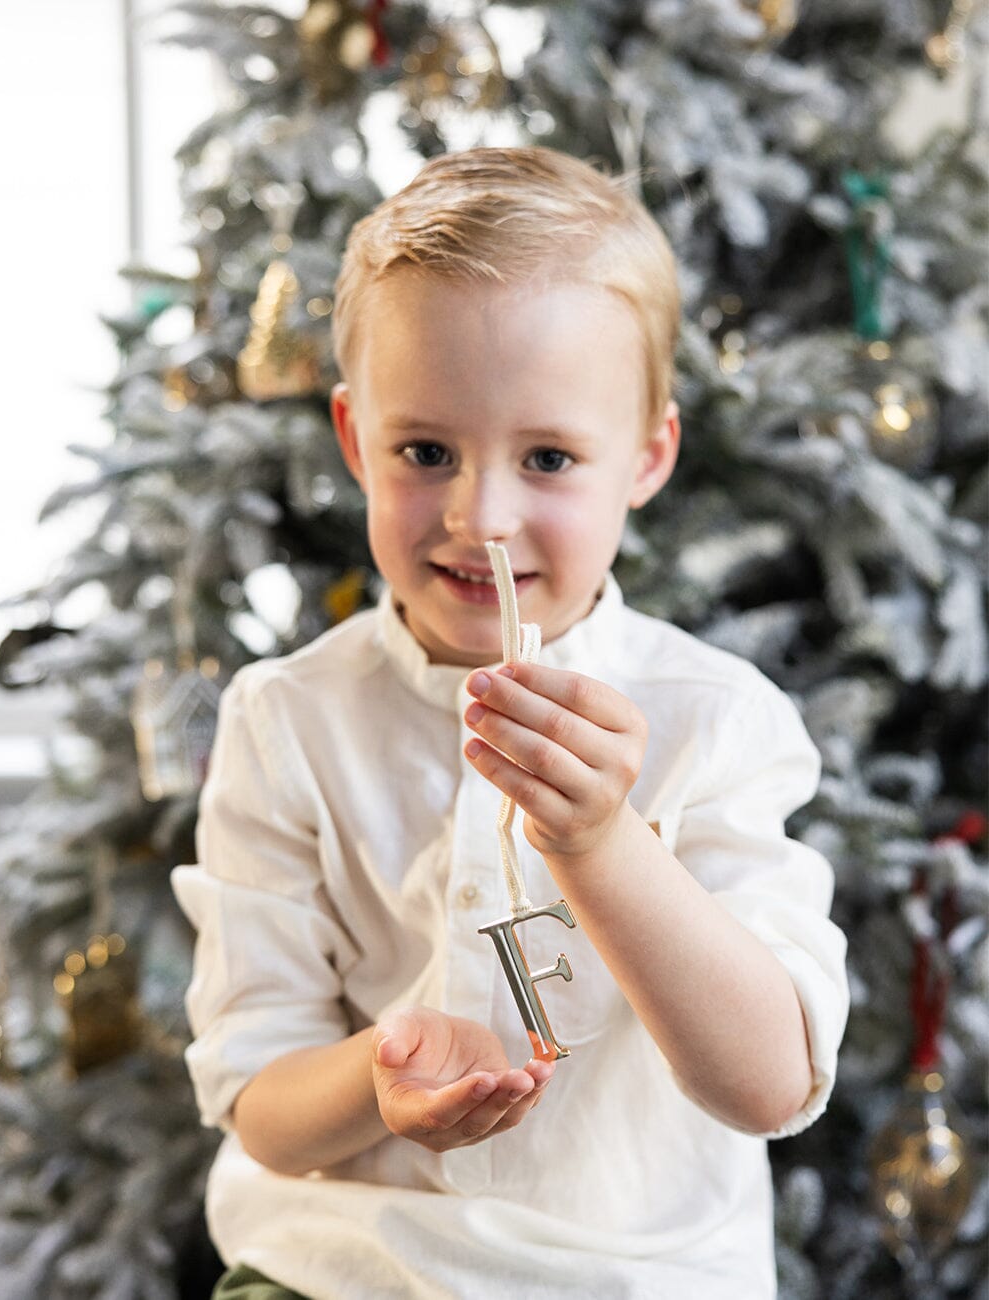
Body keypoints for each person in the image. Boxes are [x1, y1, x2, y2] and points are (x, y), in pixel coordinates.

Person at [172, 145, 849, 1300]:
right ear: (353, 439)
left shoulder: (718, 723)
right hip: (339, 1271)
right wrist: (382, 1081)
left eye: (548, 457)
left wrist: (601, 843)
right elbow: (266, 1112)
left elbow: (770, 1084)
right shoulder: (286, 721)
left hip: (634, 1279)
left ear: (644, 459)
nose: (479, 512)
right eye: (424, 451)